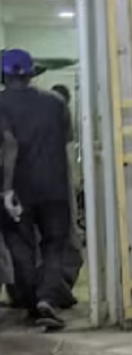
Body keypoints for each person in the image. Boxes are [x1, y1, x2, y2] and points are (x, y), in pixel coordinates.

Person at [0, 49, 77, 330]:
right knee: (55, 244)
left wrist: (7, 190)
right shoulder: (56, 103)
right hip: (55, 187)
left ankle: (33, 302)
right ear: (31, 73)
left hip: (17, 189)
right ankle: (47, 299)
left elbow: (10, 144)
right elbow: (67, 144)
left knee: (21, 247)